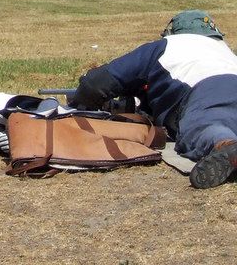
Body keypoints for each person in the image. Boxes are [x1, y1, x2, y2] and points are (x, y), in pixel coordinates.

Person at [69, 10, 237, 189]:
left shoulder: (165, 46)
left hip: (204, 91)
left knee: (206, 126)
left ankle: (225, 146)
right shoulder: (225, 50)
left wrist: (78, 107)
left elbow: (95, 84)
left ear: (174, 32)